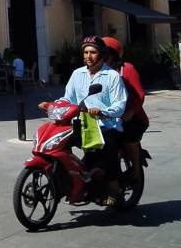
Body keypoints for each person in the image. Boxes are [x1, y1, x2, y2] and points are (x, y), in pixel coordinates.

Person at [39, 36, 127, 205]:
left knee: (107, 147)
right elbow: (68, 99)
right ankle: (73, 178)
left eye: (93, 52)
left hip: (106, 124)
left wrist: (102, 111)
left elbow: (120, 105)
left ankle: (114, 189)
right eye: (86, 52)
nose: (88, 56)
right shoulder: (77, 74)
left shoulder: (112, 76)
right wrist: (51, 105)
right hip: (82, 124)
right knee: (58, 144)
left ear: (101, 54)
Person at [102, 36, 148, 183]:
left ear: (113, 55)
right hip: (106, 117)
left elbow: (139, 95)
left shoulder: (126, 69)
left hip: (132, 118)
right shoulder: (96, 72)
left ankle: (135, 172)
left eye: (104, 54)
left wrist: (130, 112)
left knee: (128, 137)